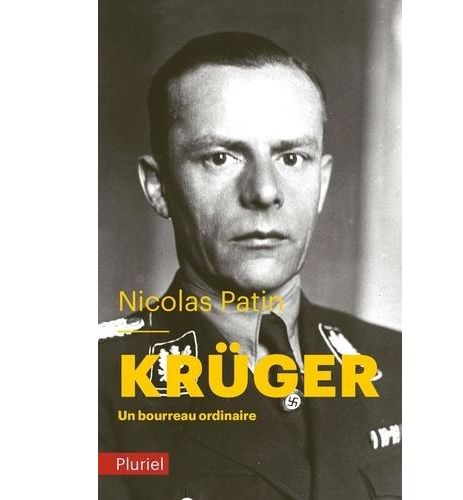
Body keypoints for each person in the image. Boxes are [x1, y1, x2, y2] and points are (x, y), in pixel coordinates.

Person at [99, 32, 401, 500]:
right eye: (220, 158)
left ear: (321, 184)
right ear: (159, 187)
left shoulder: (402, 366)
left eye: (291, 158)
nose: (264, 191)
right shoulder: (91, 386)